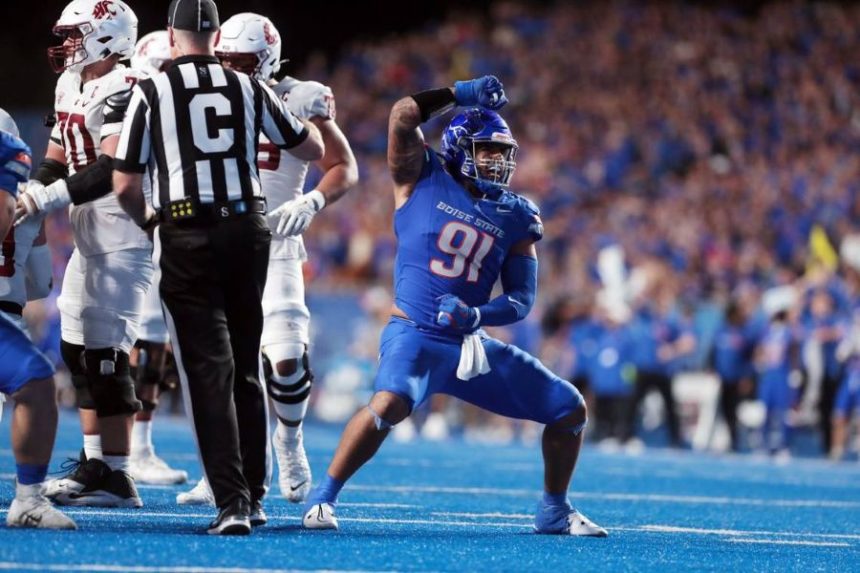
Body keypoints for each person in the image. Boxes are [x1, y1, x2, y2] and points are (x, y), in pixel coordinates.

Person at [301, 76, 607, 537]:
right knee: (390, 401)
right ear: (461, 147)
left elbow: (522, 299)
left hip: (468, 345)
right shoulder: (420, 176)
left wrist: (478, 316)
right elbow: (403, 114)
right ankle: (322, 498)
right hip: (414, 334)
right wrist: (460, 93)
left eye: (504, 154)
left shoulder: (518, 214)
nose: (499, 161)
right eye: (488, 150)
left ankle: (554, 510)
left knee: (569, 408)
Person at [111, 0, 324, 535]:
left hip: (187, 228)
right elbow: (311, 145)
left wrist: (152, 222)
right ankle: (254, 494)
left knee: (209, 371)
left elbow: (125, 183)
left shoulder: (152, 89)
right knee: (247, 367)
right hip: (247, 230)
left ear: (171, 34)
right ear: (215, 36)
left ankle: (230, 502)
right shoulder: (250, 87)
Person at [177, 12, 358, 506]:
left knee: (285, 360)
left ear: (268, 60)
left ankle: (290, 441)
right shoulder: (198, 94)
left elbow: (343, 165)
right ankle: (225, 470)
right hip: (218, 238)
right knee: (222, 366)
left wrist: (312, 201)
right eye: (225, 60)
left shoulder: (299, 97)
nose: (232, 70)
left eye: (242, 62)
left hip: (276, 242)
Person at [16, 0, 151, 508]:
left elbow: (115, 166)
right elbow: (56, 157)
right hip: (85, 229)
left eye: (75, 35)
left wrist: (48, 199)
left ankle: (118, 473)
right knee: (76, 350)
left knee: (108, 353)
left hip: (124, 229)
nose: (66, 45)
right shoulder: (70, 83)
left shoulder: (126, 86)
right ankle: (98, 465)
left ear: (107, 37)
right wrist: (35, 190)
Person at [0, 113, 76, 530]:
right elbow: (40, 284)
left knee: (36, 380)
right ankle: (28, 497)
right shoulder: (31, 198)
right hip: (10, 317)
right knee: (34, 382)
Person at [124, 29, 188, 486]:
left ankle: (135, 448)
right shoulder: (134, 105)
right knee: (132, 351)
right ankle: (121, 451)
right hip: (136, 232)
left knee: (153, 351)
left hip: (163, 231)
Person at [710, 300, 754, 452]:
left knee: (735, 410)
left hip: (737, 379)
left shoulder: (744, 333)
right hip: (723, 378)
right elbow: (713, 352)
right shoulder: (721, 331)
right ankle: (724, 439)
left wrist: (746, 377)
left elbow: (749, 357)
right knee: (723, 409)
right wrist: (712, 369)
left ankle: (736, 441)